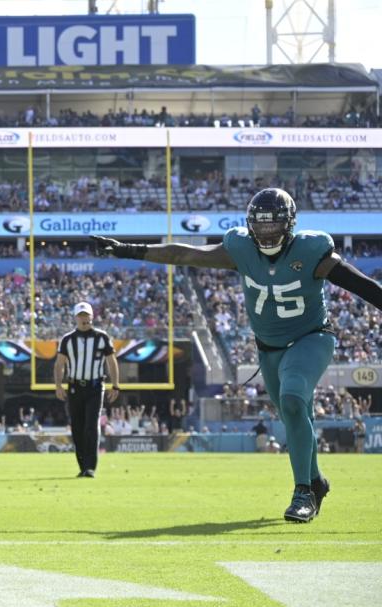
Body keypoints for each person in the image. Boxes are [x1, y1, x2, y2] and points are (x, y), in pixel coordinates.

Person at [93, 187, 382, 522]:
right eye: (261, 225)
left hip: (311, 337)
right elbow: (185, 254)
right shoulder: (240, 249)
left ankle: (303, 491)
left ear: (289, 224)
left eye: (273, 224)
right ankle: (316, 481)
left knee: (292, 401)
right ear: (250, 225)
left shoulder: (313, 249)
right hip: (268, 348)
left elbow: (363, 285)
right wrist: (130, 250)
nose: (267, 232)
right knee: (293, 414)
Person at [54, 301, 120, 478]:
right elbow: (59, 364)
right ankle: (82, 465)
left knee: (91, 425)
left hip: (95, 386)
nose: (84, 319)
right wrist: (58, 385)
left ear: (92, 317)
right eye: (81, 316)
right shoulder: (68, 339)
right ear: (76, 318)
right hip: (75, 386)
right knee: (77, 427)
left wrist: (115, 385)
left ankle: (90, 466)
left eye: (87, 316)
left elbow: (111, 361)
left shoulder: (102, 337)